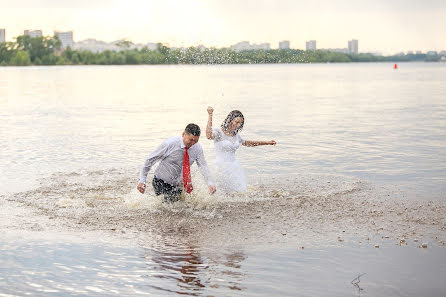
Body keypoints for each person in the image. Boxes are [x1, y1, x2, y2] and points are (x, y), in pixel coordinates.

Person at [137, 123, 216, 202]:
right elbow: (150, 160)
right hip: (161, 182)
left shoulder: (197, 148)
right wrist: (142, 180)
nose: (193, 144)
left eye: (196, 141)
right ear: (183, 134)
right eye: (191, 140)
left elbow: (203, 166)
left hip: (178, 185)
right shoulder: (170, 144)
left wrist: (210, 183)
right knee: (167, 207)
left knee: (180, 209)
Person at [206, 107, 276, 193]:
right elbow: (209, 136)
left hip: (235, 168)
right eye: (237, 122)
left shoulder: (236, 135)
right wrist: (210, 115)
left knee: (241, 192)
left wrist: (267, 143)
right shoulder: (219, 132)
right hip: (221, 167)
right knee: (224, 193)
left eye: (240, 123)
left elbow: (247, 143)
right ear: (230, 120)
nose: (238, 125)